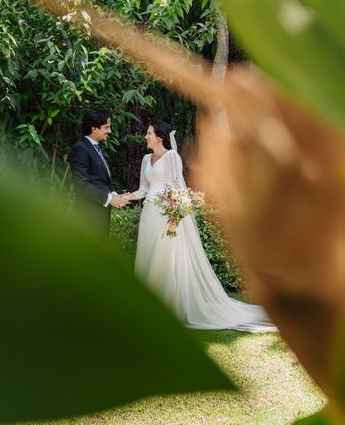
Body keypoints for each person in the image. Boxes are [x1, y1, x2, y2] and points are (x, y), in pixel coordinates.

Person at [125, 121, 276, 332]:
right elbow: (143, 189)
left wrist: (175, 216)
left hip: (167, 217)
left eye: (149, 133)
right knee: (148, 256)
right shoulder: (145, 159)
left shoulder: (172, 157)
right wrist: (125, 197)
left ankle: (168, 306)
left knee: (165, 260)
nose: (145, 136)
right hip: (149, 215)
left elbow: (178, 188)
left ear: (159, 136)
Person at [69, 109, 128, 237]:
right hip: (88, 217)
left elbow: (103, 180)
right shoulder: (81, 149)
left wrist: (115, 195)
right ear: (94, 128)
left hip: (101, 215)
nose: (110, 131)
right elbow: (81, 185)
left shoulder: (96, 148)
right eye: (106, 127)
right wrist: (109, 199)